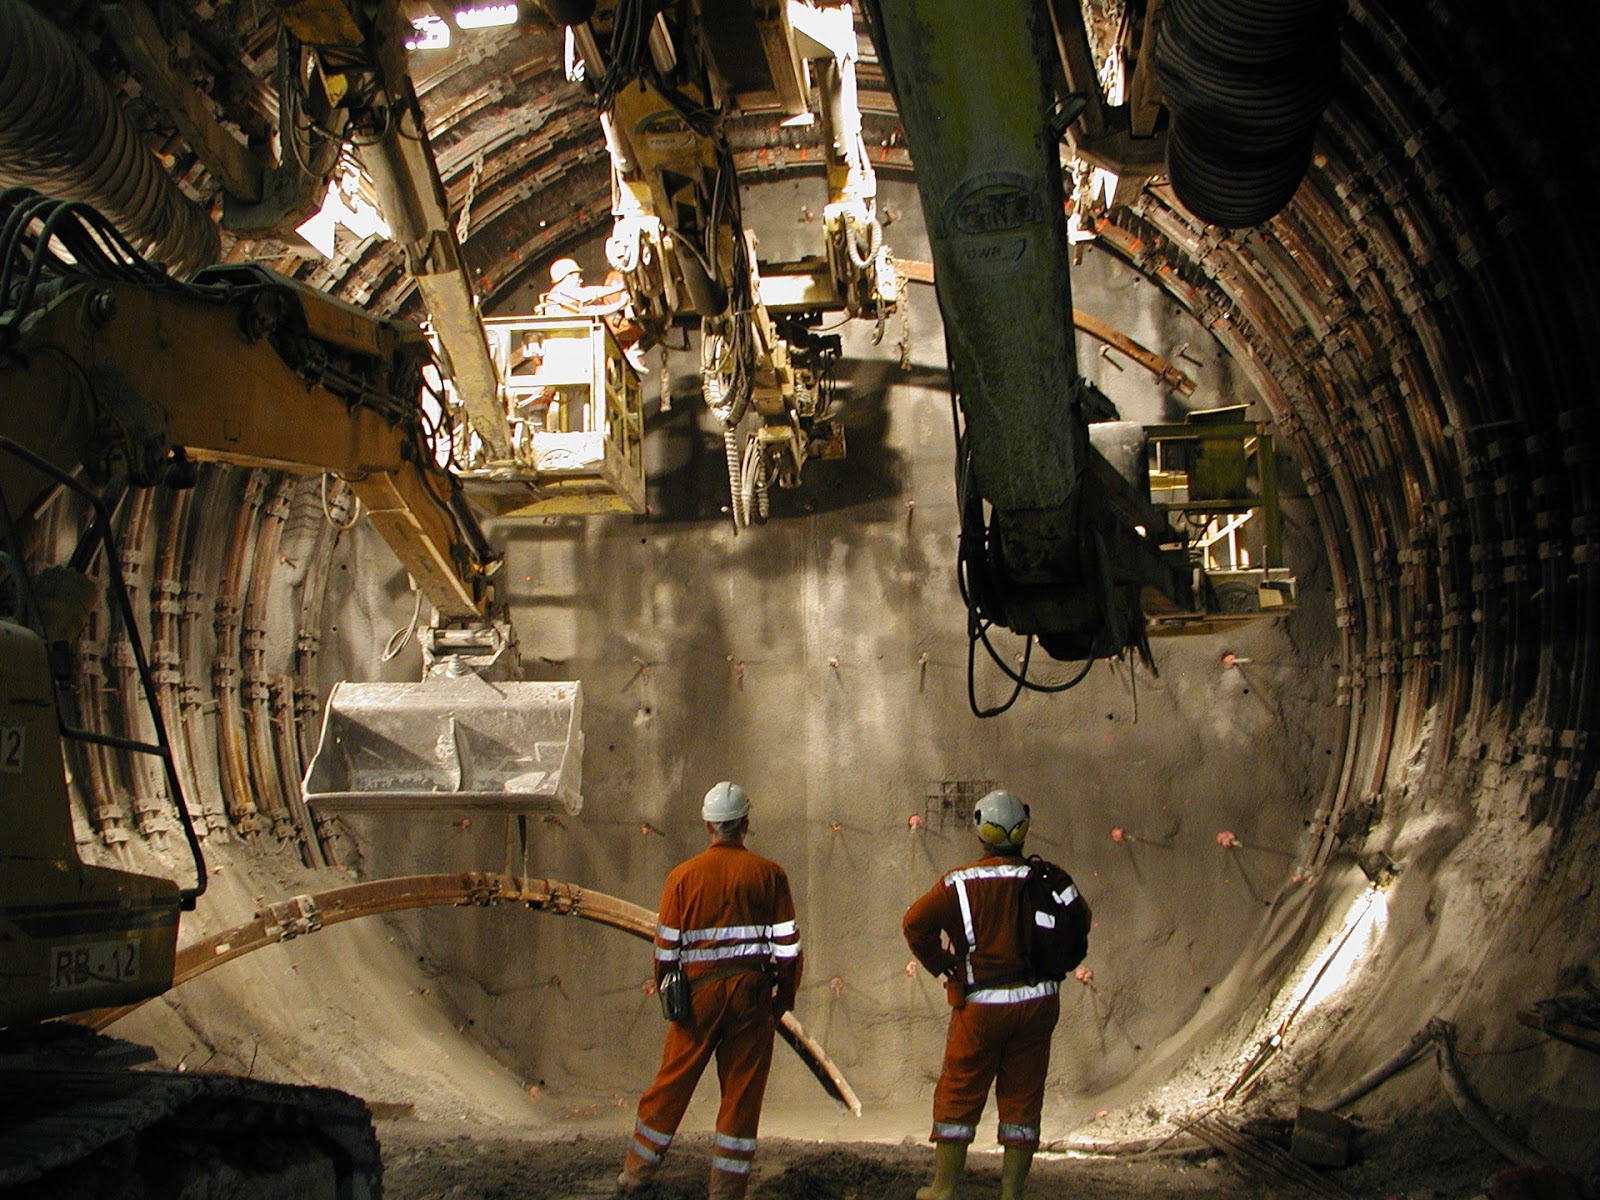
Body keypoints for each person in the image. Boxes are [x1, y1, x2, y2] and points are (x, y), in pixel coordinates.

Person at [618, 781, 803, 1198]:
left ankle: (636, 1173)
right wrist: (783, 1000)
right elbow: (788, 948)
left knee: (672, 1081)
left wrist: (673, 997)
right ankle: (726, 1191)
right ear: (745, 824)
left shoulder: (682, 877)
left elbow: (666, 949)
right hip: (752, 996)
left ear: (708, 825)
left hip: (697, 995)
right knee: (741, 1091)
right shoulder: (769, 875)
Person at [902, 789, 1085, 1200]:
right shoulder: (1050, 878)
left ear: (980, 833)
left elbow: (914, 923)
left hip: (982, 1008)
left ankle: (943, 1188)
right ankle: (1011, 1193)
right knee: (1023, 1094)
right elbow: (1081, 920)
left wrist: (943, 962)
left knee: (959, 1090)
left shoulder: (960, 883)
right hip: (1039, 1004)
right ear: (1025, 828)